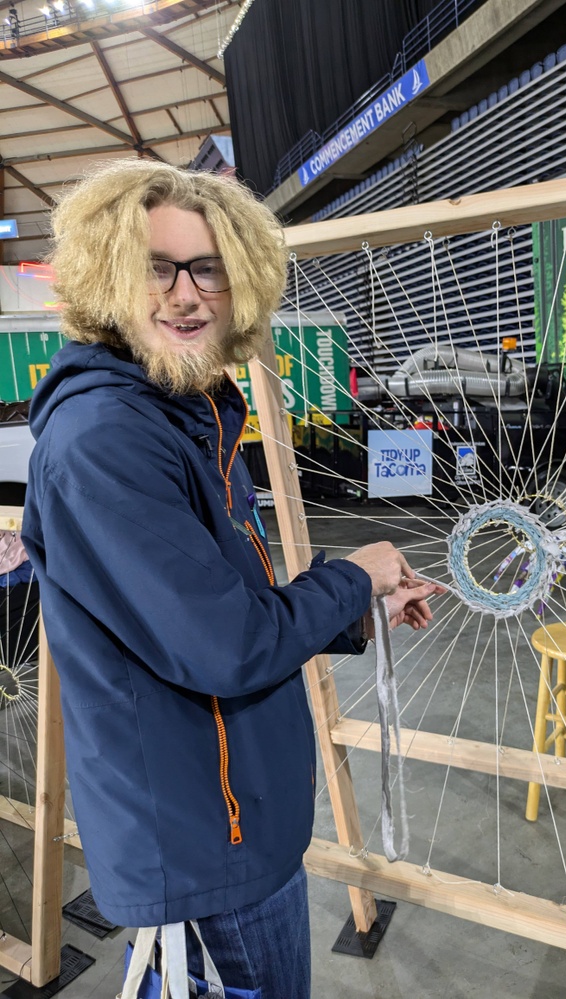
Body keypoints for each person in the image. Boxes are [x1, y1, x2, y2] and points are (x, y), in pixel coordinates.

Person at [21, 160, 439, 998]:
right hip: (206, 845)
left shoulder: (191, 409)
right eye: (157, 265)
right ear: (106, 275)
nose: (186, 294)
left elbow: (222, 610)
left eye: (207, 267)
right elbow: (229, 645)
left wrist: (358, 611)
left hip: (238, 815)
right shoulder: (108, 439)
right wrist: (351, 578)